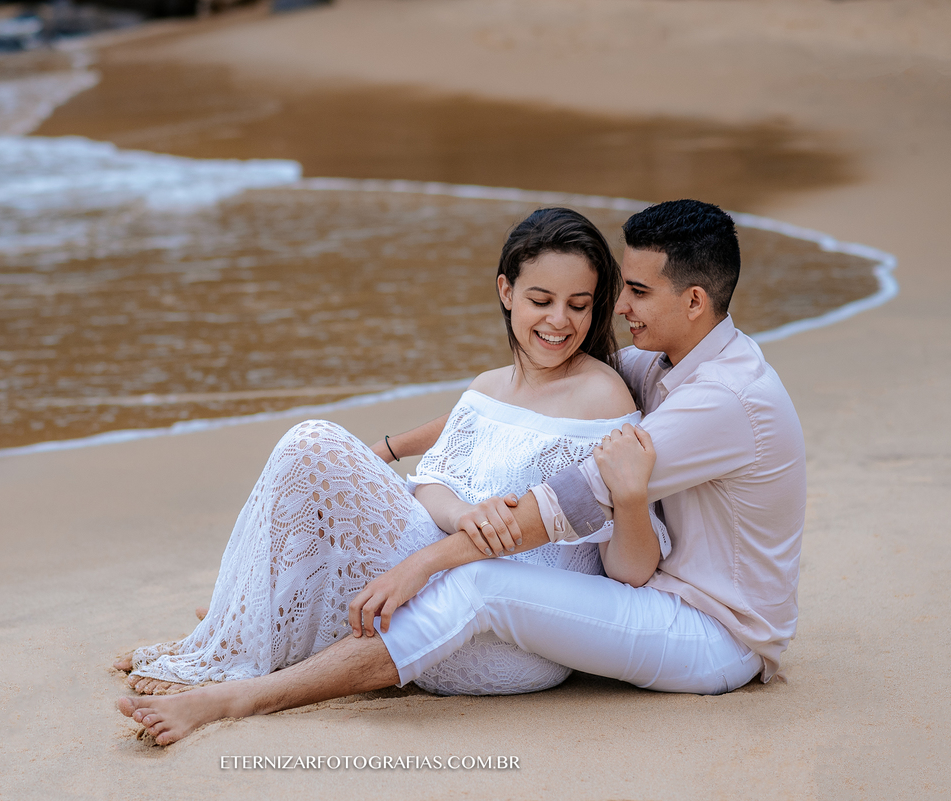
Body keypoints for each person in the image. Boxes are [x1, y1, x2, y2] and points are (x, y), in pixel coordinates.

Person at [118, 199, 807, 746]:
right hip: (645, 589)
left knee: (472, 582)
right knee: (326, 459)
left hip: (711, 629)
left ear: (693, 301)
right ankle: (247, 624)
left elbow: (564, 500)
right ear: (507, 291)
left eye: (633, 291)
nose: (618, 308)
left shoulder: (724, 399)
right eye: (618, 290)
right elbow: (516, 409)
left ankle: (240, 695)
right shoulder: (659, 362)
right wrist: (389, 448)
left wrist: (425, 563)